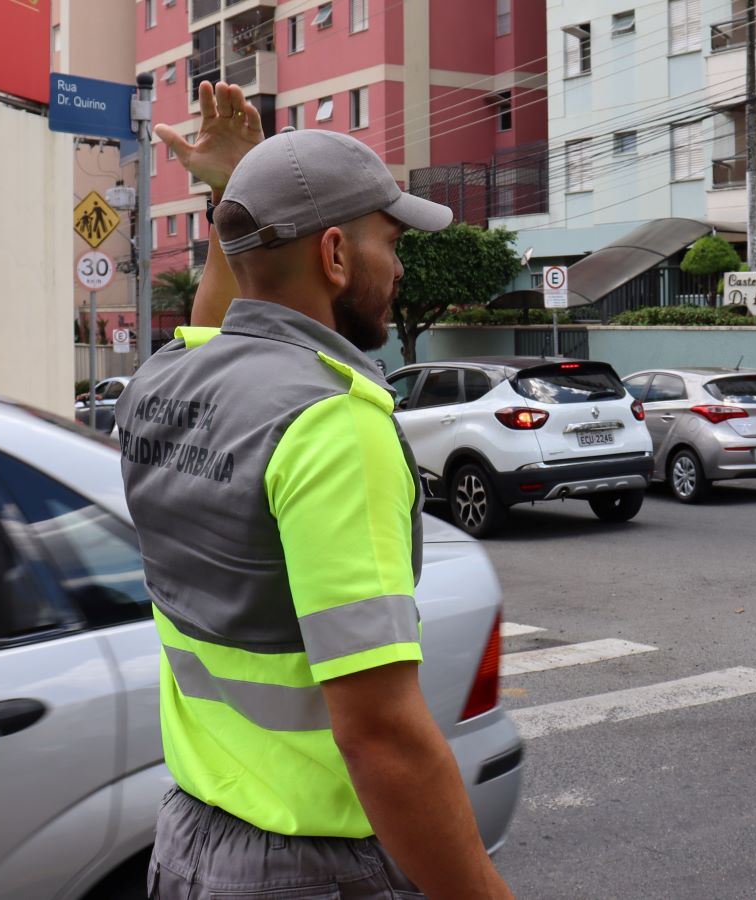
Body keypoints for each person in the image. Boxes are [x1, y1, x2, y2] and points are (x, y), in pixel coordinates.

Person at [118, 81, 513, 900]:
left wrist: (234, 192)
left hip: (188, 842)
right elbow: (381, 736)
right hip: (308, 867)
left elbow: (230, 313)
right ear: (335, 256)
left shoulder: (163, 383)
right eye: (389, 244)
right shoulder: (332, 425)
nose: (398, 268)